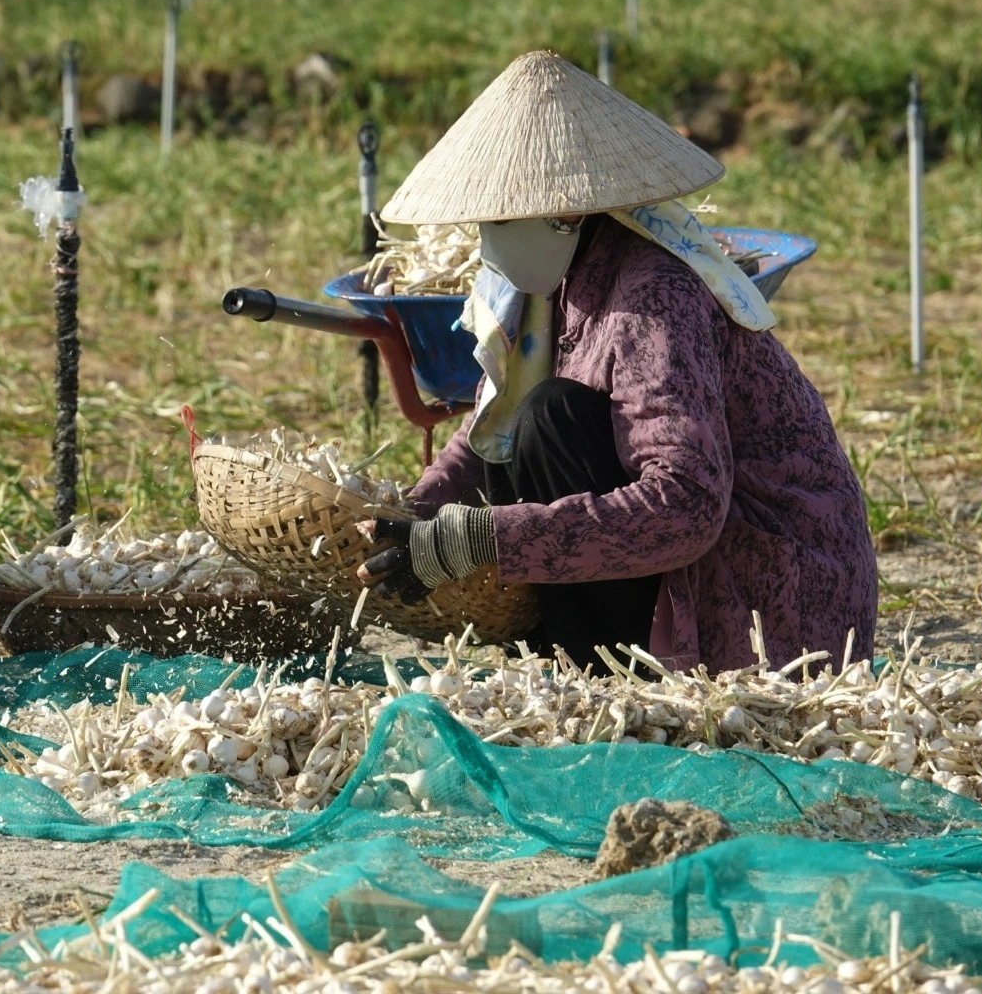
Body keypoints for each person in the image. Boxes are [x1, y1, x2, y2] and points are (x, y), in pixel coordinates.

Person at [356, 50, 877, 673]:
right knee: (529, 427)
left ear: (565, 215)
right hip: (699, 561)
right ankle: (579, 645)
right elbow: (490, 430)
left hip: (769, 604)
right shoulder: (551, 288)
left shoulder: (654, 298)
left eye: (501, 218)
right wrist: (409, 516)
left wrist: (485, 538)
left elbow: (686, 505)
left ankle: (607, 667)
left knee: (554, 419)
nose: (488, 238)